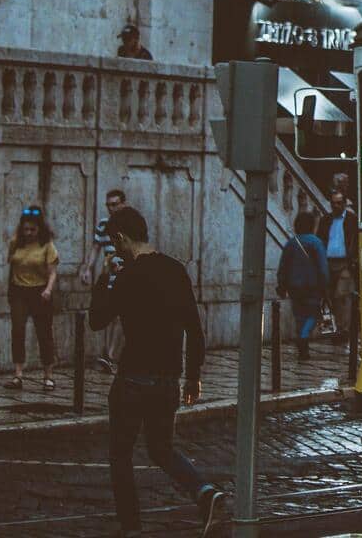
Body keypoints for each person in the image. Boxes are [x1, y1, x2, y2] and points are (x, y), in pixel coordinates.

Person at [90, 206, 226, 534]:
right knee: (161, 448)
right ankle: (203, 492)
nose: (115, 249)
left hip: (133, 379)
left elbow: (96, 321)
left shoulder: (127, 276)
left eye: (114, 243)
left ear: (121, 238)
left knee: (120, 455)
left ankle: (131, 527)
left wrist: (104, 277)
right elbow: (195, 329)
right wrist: (193, 376)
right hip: (168, 380)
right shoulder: (176, 270)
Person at [6, 206, 59, 390]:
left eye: (33, 230)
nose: (28, 233)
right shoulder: (15, 243)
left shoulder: (47, 245)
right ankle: (18, 375)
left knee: (44, 333)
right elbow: (11, 265)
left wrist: (48, 290)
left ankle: (48, 376)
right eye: (26, 229)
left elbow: (53, 272)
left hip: (40, 292)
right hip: (19, 291)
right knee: (18, 331)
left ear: (40, 229)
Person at [85, 187, 129, 373]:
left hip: (126, 274)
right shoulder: (104, 224)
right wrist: (87, 268)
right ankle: (109, 356)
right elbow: (96, 247)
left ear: (123, 204)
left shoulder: (130, 223)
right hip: (109, 275)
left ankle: (111, 355)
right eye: (108, 205)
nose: (111, 208)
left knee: (120, 316)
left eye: (115, 204)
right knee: (109, 315)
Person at [276, 212, 329, 360]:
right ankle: (303, 338)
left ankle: (302, 341)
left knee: (299, 315)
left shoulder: (292, 243)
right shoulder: (316, 242)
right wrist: (325, 284)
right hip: (312, 286)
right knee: (313, 313)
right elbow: (323, 267)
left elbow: (283, 266)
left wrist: (282, 284)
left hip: (294, 286)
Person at [317, 185, 357, 343]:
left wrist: (353, 259)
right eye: (333, 203)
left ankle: (343, 330)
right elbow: (320, 238)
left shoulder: (352, 220)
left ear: (345, 203)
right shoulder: (325, 220)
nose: (336, 206)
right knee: (328, 297)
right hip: (328, 263)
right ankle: (331, 330)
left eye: (339, 203)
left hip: (345, 263)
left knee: (342, 295)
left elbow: (356, 239)